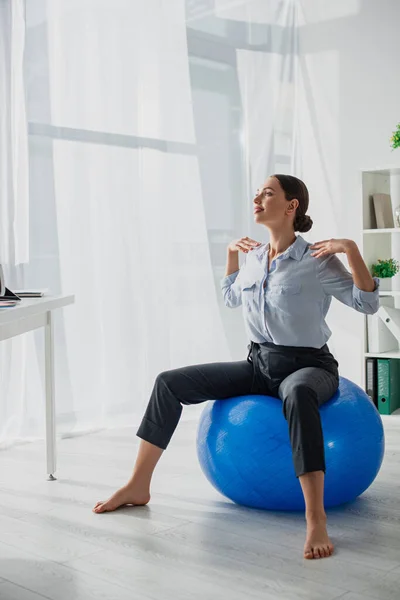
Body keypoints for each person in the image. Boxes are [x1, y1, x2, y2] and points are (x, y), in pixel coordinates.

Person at [93, 174, 379, 560]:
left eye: (268, 193)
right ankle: (137, 485)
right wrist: (231, 254)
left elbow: (367, 304)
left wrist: (350, 250)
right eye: (257, 193)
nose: (257, 198)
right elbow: (230, 297)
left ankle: (316, 519)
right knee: (168, 383)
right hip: (258, 363)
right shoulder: (256, 257)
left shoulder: (317, 259)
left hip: (309, 366)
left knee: (297, 393)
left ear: (292, 206)